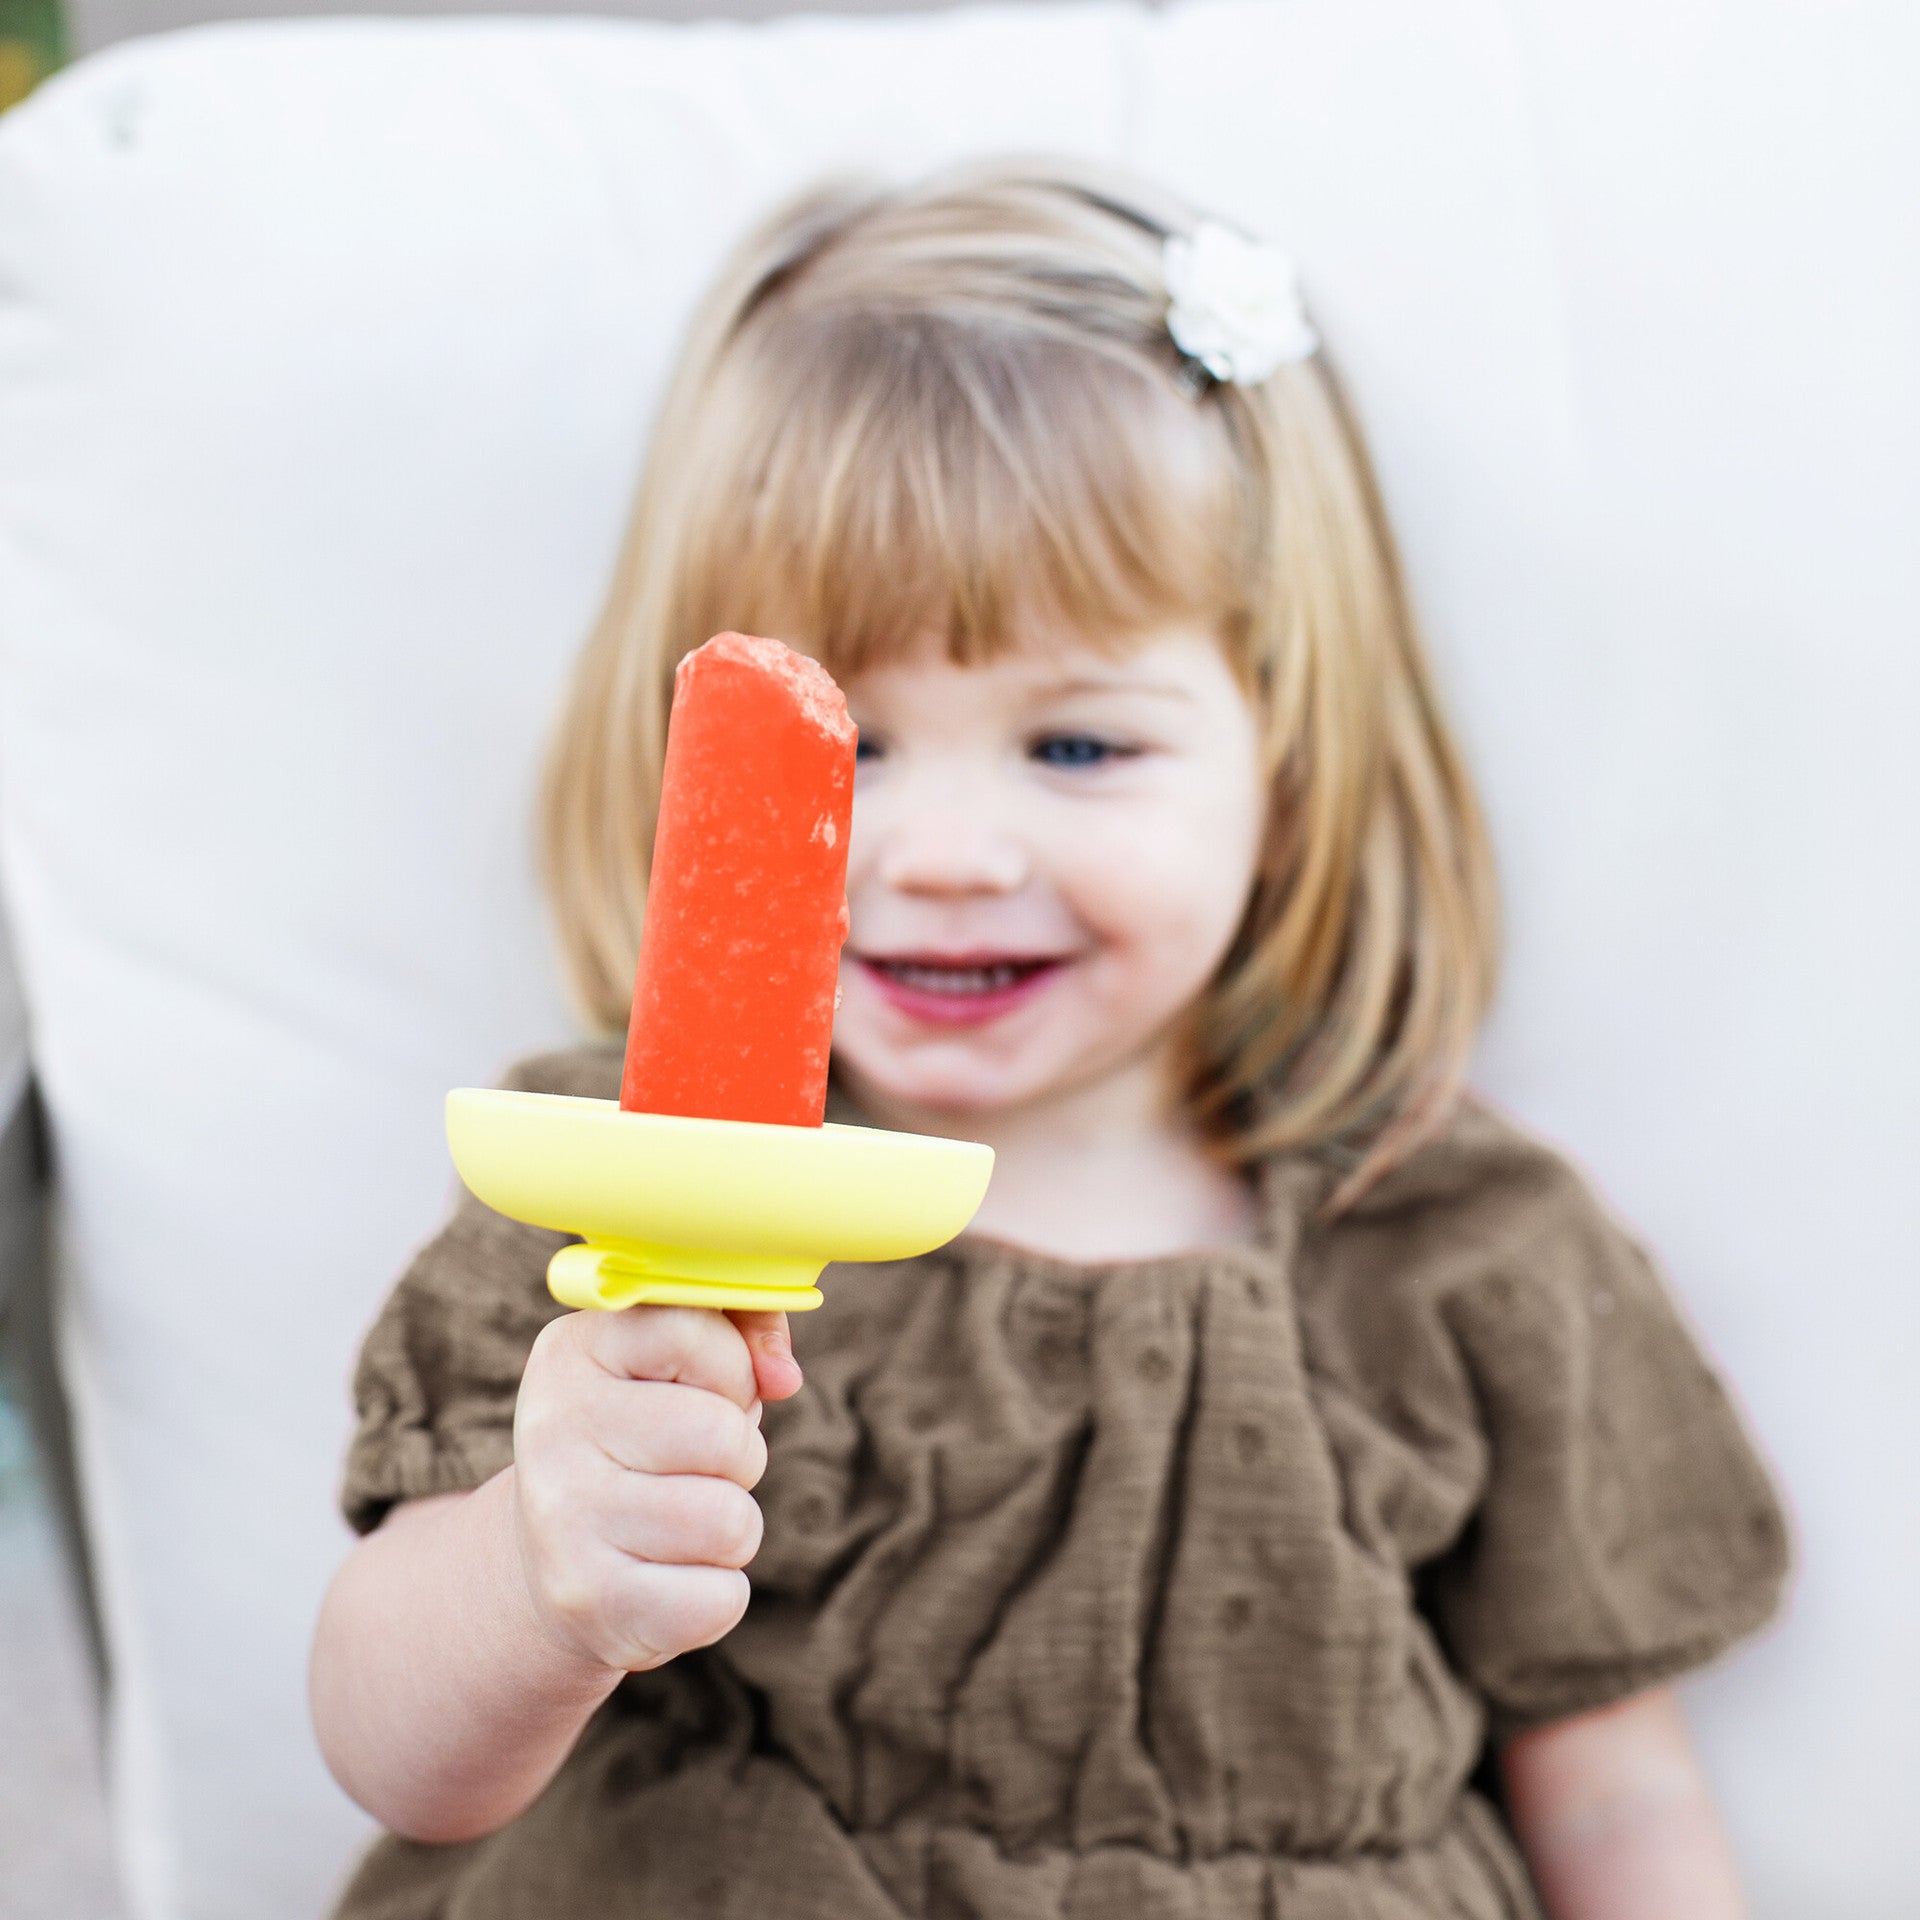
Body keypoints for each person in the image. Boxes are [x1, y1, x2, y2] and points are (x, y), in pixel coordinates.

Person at [309, 163, 1790, 1920]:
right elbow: (396, 1755)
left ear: (1288, 772)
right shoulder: (609, 1197)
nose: (940, 855)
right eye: (842, 748)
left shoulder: (1457, 1243)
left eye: (1079, 748)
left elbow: (1617, 1802)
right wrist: (536, 1578)